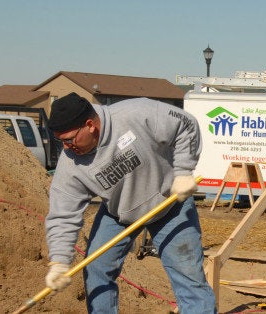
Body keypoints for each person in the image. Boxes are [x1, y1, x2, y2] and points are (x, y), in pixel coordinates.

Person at [43, 92, 216, 313]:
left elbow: (186, 123)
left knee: (188, 275)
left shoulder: (135, 114)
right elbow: (62, 215)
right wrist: (59, 261)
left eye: (68, 140)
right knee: (96, 269)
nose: (66, 148)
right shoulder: (71, 165)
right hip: (119, 213)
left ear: (90, 125)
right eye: (61, 141)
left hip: (170, 203)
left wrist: (183, 170)